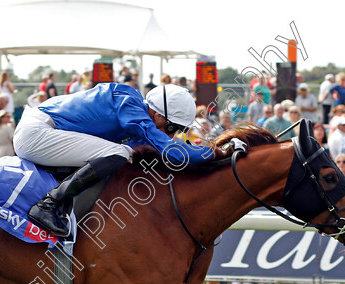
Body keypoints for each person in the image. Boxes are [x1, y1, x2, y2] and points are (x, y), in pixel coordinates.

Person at [13, 83, 225, 237]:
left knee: (122, 155)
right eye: (173, 128)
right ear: (158, 116)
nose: (173, 135)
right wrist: (217, 152)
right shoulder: (128, 102)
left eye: (180, 130)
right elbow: (173, 152)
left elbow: (172, 153)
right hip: (37, 133)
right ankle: (48, 205)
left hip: (45, 132)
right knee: (120, 153)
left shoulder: (139, 119)